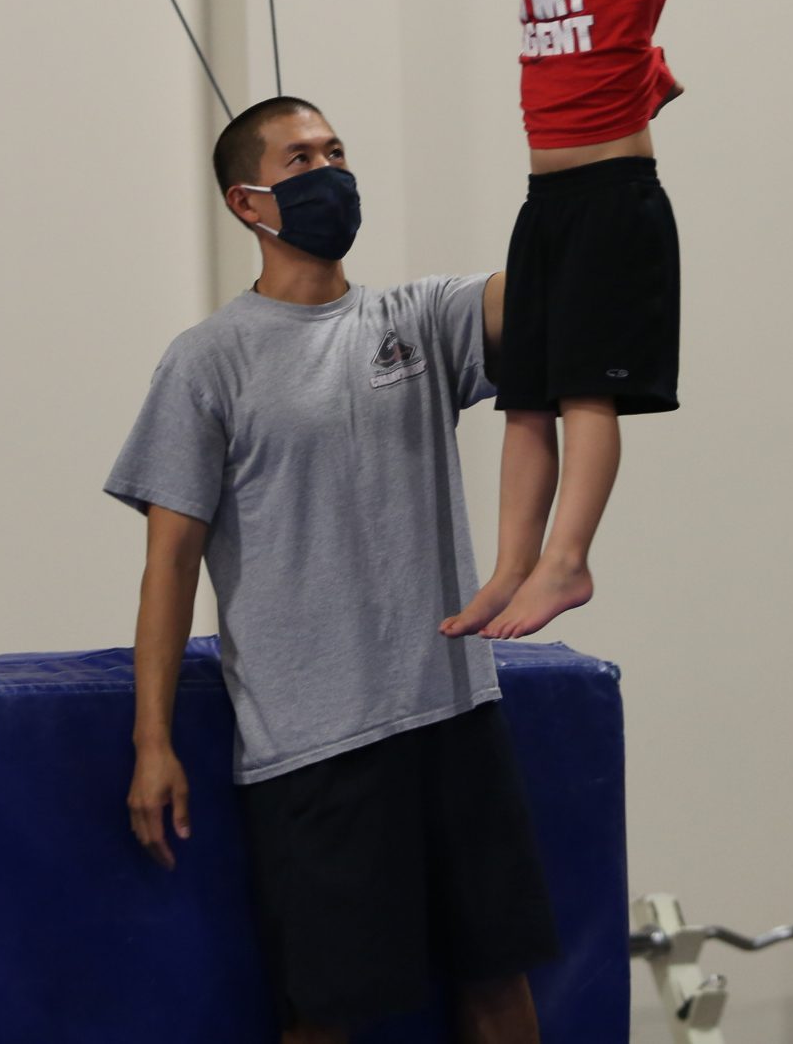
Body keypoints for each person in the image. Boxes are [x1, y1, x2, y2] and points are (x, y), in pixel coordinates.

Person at [109, 96, 557, 1044]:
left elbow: (550, 285)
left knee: (497, 979)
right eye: (302, 159)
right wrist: (152, 740)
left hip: (452, 709)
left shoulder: (419, 318)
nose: (331, 171)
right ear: (249, 200)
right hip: (315, 741)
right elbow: (169, 567)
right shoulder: (206, 364)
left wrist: (594, 160)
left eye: (337, 151)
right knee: (329, 1012)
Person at [443, 0, 680, 643]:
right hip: (545, 201)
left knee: (587, 393)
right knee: (525, 396)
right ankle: (510, 566)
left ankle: (567, 561)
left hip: (612, 200)